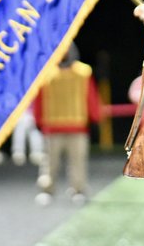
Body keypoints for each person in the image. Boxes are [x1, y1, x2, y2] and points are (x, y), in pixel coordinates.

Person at [33, 44, 101, 205]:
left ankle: (78, 190)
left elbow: (90, 96)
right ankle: (47, 190)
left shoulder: (83, 72)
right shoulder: (46, 73)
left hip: (77, 127)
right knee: (49, 163)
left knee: (77, 162)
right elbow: (40, 99)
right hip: (52, 127)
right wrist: (38, 120)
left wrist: (95, 117)